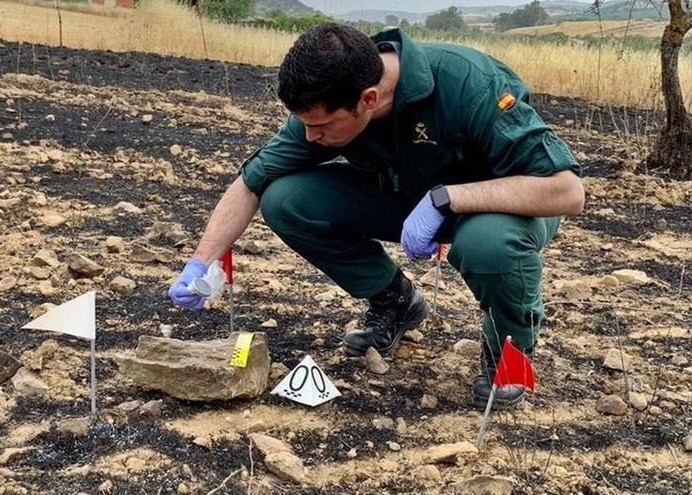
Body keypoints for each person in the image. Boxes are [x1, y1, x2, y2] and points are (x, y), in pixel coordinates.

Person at [168, 24, 584, 410]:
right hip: (406, 200)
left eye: (323, 126)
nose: (311, 137)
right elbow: (251, 183)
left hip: (504, 208)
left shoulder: (470, 82)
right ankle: (396, 301)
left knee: (488, 244)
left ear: (368, 99)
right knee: (285, 199)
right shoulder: (331, 96)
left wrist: (448, 198)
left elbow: (566, 190)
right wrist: (201, 261)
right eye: (304, 125)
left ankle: (509, 353)